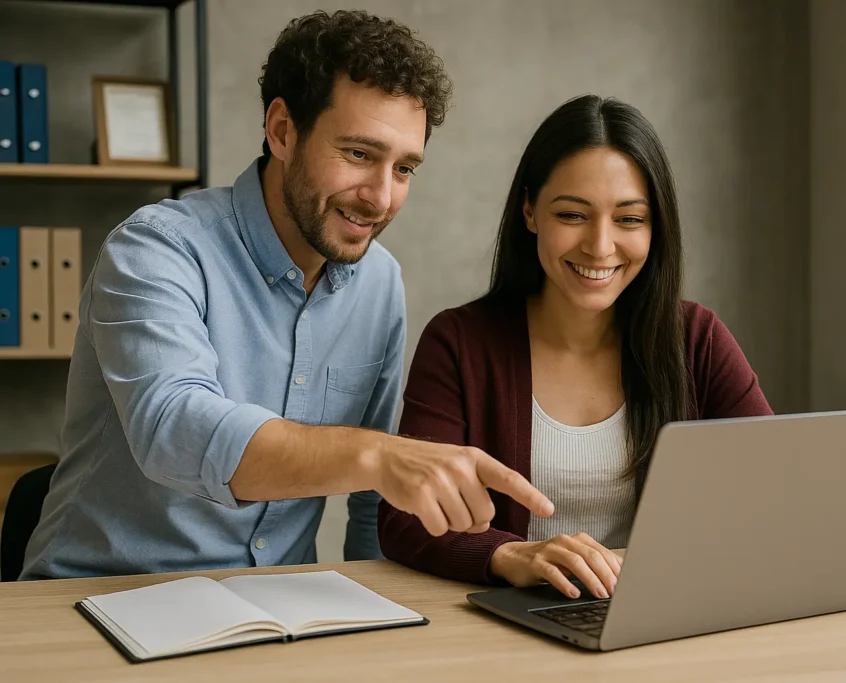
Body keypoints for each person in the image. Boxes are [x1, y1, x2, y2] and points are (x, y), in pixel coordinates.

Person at [20, 10, 551, 581]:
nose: (380, 197)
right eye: (358, 154)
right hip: (102, 597)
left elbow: (372, 506)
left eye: (404, 168)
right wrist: (375, 455)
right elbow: (172, 427)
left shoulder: (379, 282)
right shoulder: (155, 248)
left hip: (278, 609)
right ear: (281, 130)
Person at [378, 95, 773, 600]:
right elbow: (404, 520)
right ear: (529, 211)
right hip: (516, 623)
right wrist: (512, 555)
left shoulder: (696, 338)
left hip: (660, 611)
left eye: (629, 220)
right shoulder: (460, 343)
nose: (600, 246)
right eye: (572, 214)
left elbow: (771, 486)